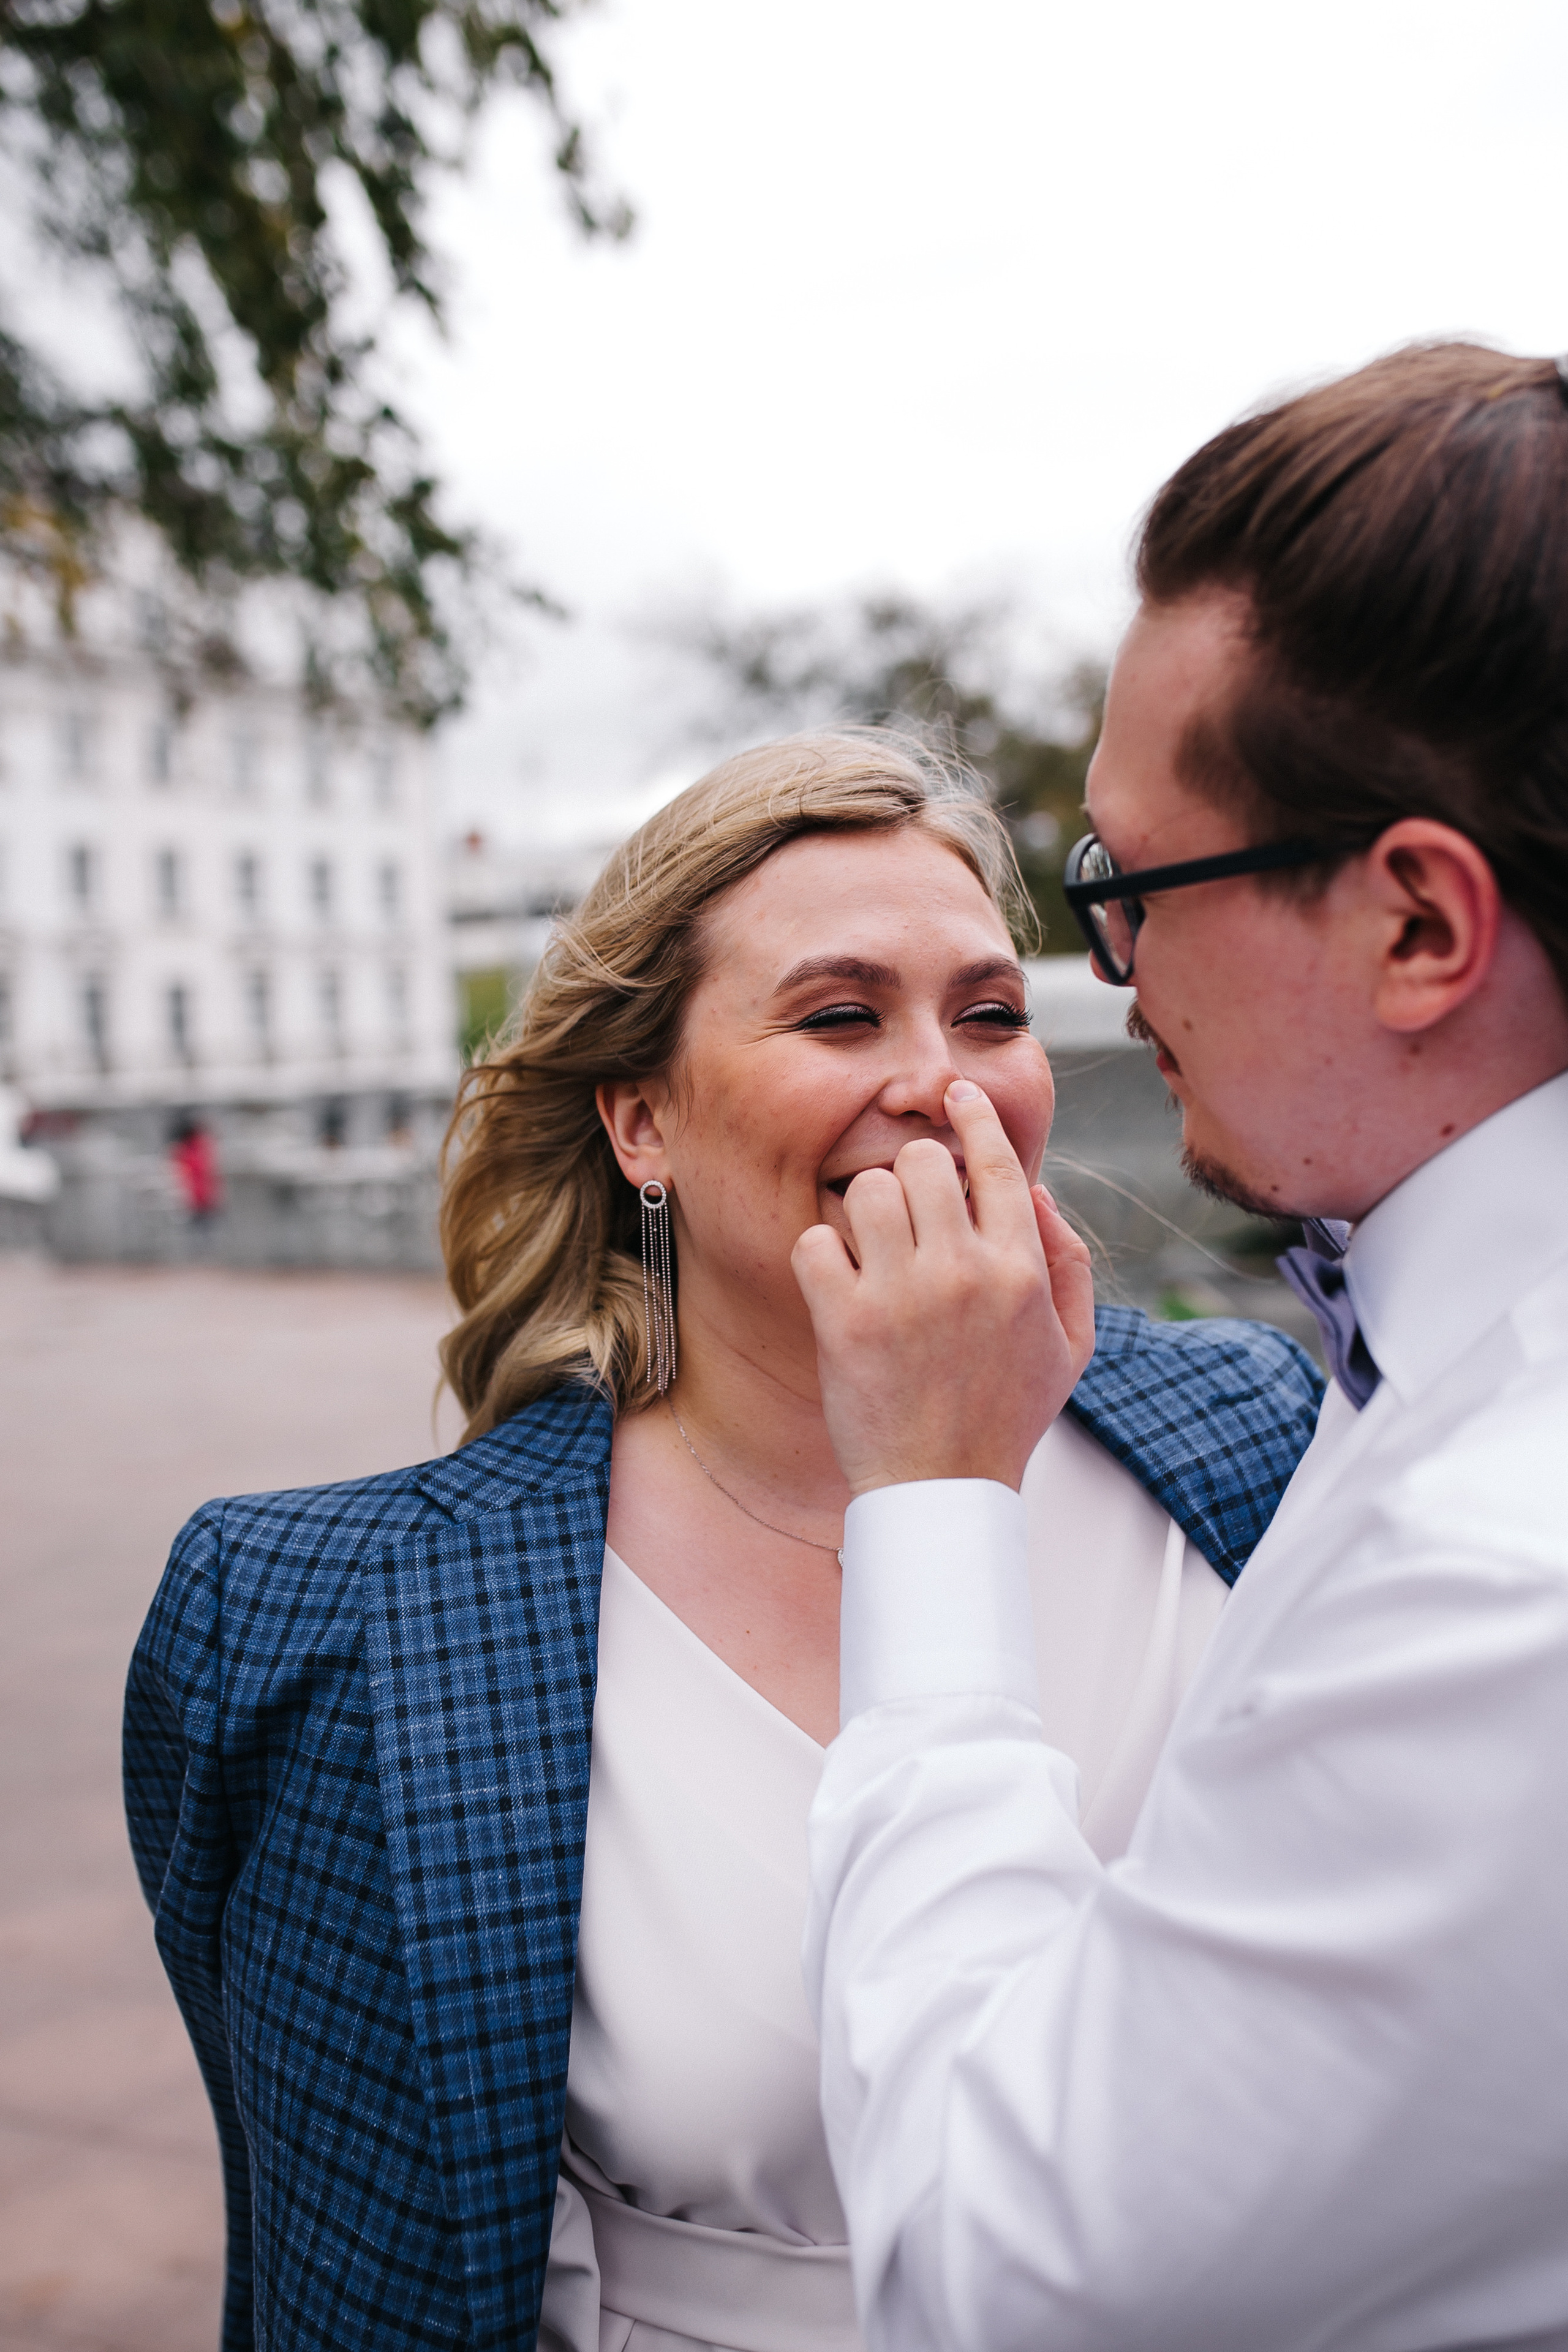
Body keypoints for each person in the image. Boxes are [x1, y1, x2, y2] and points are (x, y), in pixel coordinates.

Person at [124, 733, 1319, 2352]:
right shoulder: (316, 1617)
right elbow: (341, 2247)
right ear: (642, 1125)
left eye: (991, 1012)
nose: (945, 1082)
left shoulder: (1250, 1437)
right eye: (840, 1014)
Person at [797, 345, 1568, 2352]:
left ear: (1419, 925)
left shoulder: (1503, 1572)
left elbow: (996, 2274)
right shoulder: (1440, 1377)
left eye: (1126, 887)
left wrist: (938, 1505)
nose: (1102, 976)